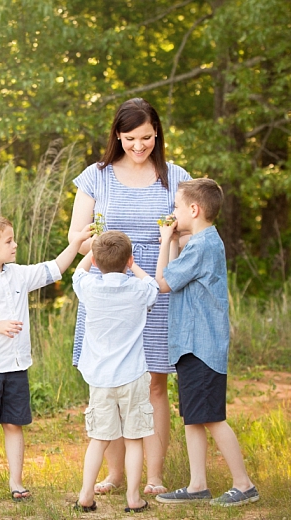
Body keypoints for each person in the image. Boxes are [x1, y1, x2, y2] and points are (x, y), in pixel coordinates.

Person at [68, 98, 191, 496]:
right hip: (106, 297)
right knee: (109, 381)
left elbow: (190, 232)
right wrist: (94, 244)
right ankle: (115, 474)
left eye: (147, 138)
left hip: (154, 290)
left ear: (158, 134)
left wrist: (171, 243)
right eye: (130, 138)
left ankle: (153, 476)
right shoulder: (96, 177)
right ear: (117, 136)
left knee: (154, 383)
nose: (139, 146)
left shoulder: (175, 177)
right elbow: (76, 237)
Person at [0, 215, 92, 501]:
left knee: (14, 424)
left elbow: (54, 269)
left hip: (16, 367)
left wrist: (77, 242)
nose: (15, 245)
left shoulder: (17, 274)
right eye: (9, 241)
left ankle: (16, 483)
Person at [154, 178, 259, 507]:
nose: (174, 212)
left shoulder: (201, 246)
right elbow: (176, 271)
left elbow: (163, 282)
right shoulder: (199, 242)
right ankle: (197, 484)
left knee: (211, 416)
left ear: (194, 210)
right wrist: (173, 240)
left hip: (202, 346)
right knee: (193, 416)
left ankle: (244, 485)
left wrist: (162, 242)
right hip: (189, 344)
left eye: (177, 207)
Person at [73, 231, 159, 514]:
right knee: (134, 438)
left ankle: (86, 495)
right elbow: (152, 284)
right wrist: (132, 265)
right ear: (129, 260)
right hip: (133, 375)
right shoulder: (138, 290)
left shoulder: (90, 288)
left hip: (100, 378)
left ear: (97, 261)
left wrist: (92, 254)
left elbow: (78, 273)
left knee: (99, 438)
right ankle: (133, 498)